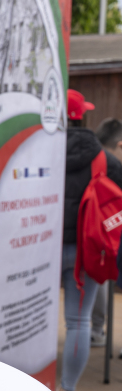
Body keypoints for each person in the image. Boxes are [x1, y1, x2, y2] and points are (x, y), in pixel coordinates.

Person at [60, 90, 122, 391]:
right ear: (81, 115)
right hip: (87, 252)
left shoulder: (38, 151)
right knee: (78, 322)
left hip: (41, 252)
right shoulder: (105, 159)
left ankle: (35, 386)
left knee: (35, 319)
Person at [90, 118, 122, 347]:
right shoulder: (114, 166)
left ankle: (95, 329)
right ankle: (96, 329)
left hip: (85, 236)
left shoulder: (84, 157)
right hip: (107, 238)